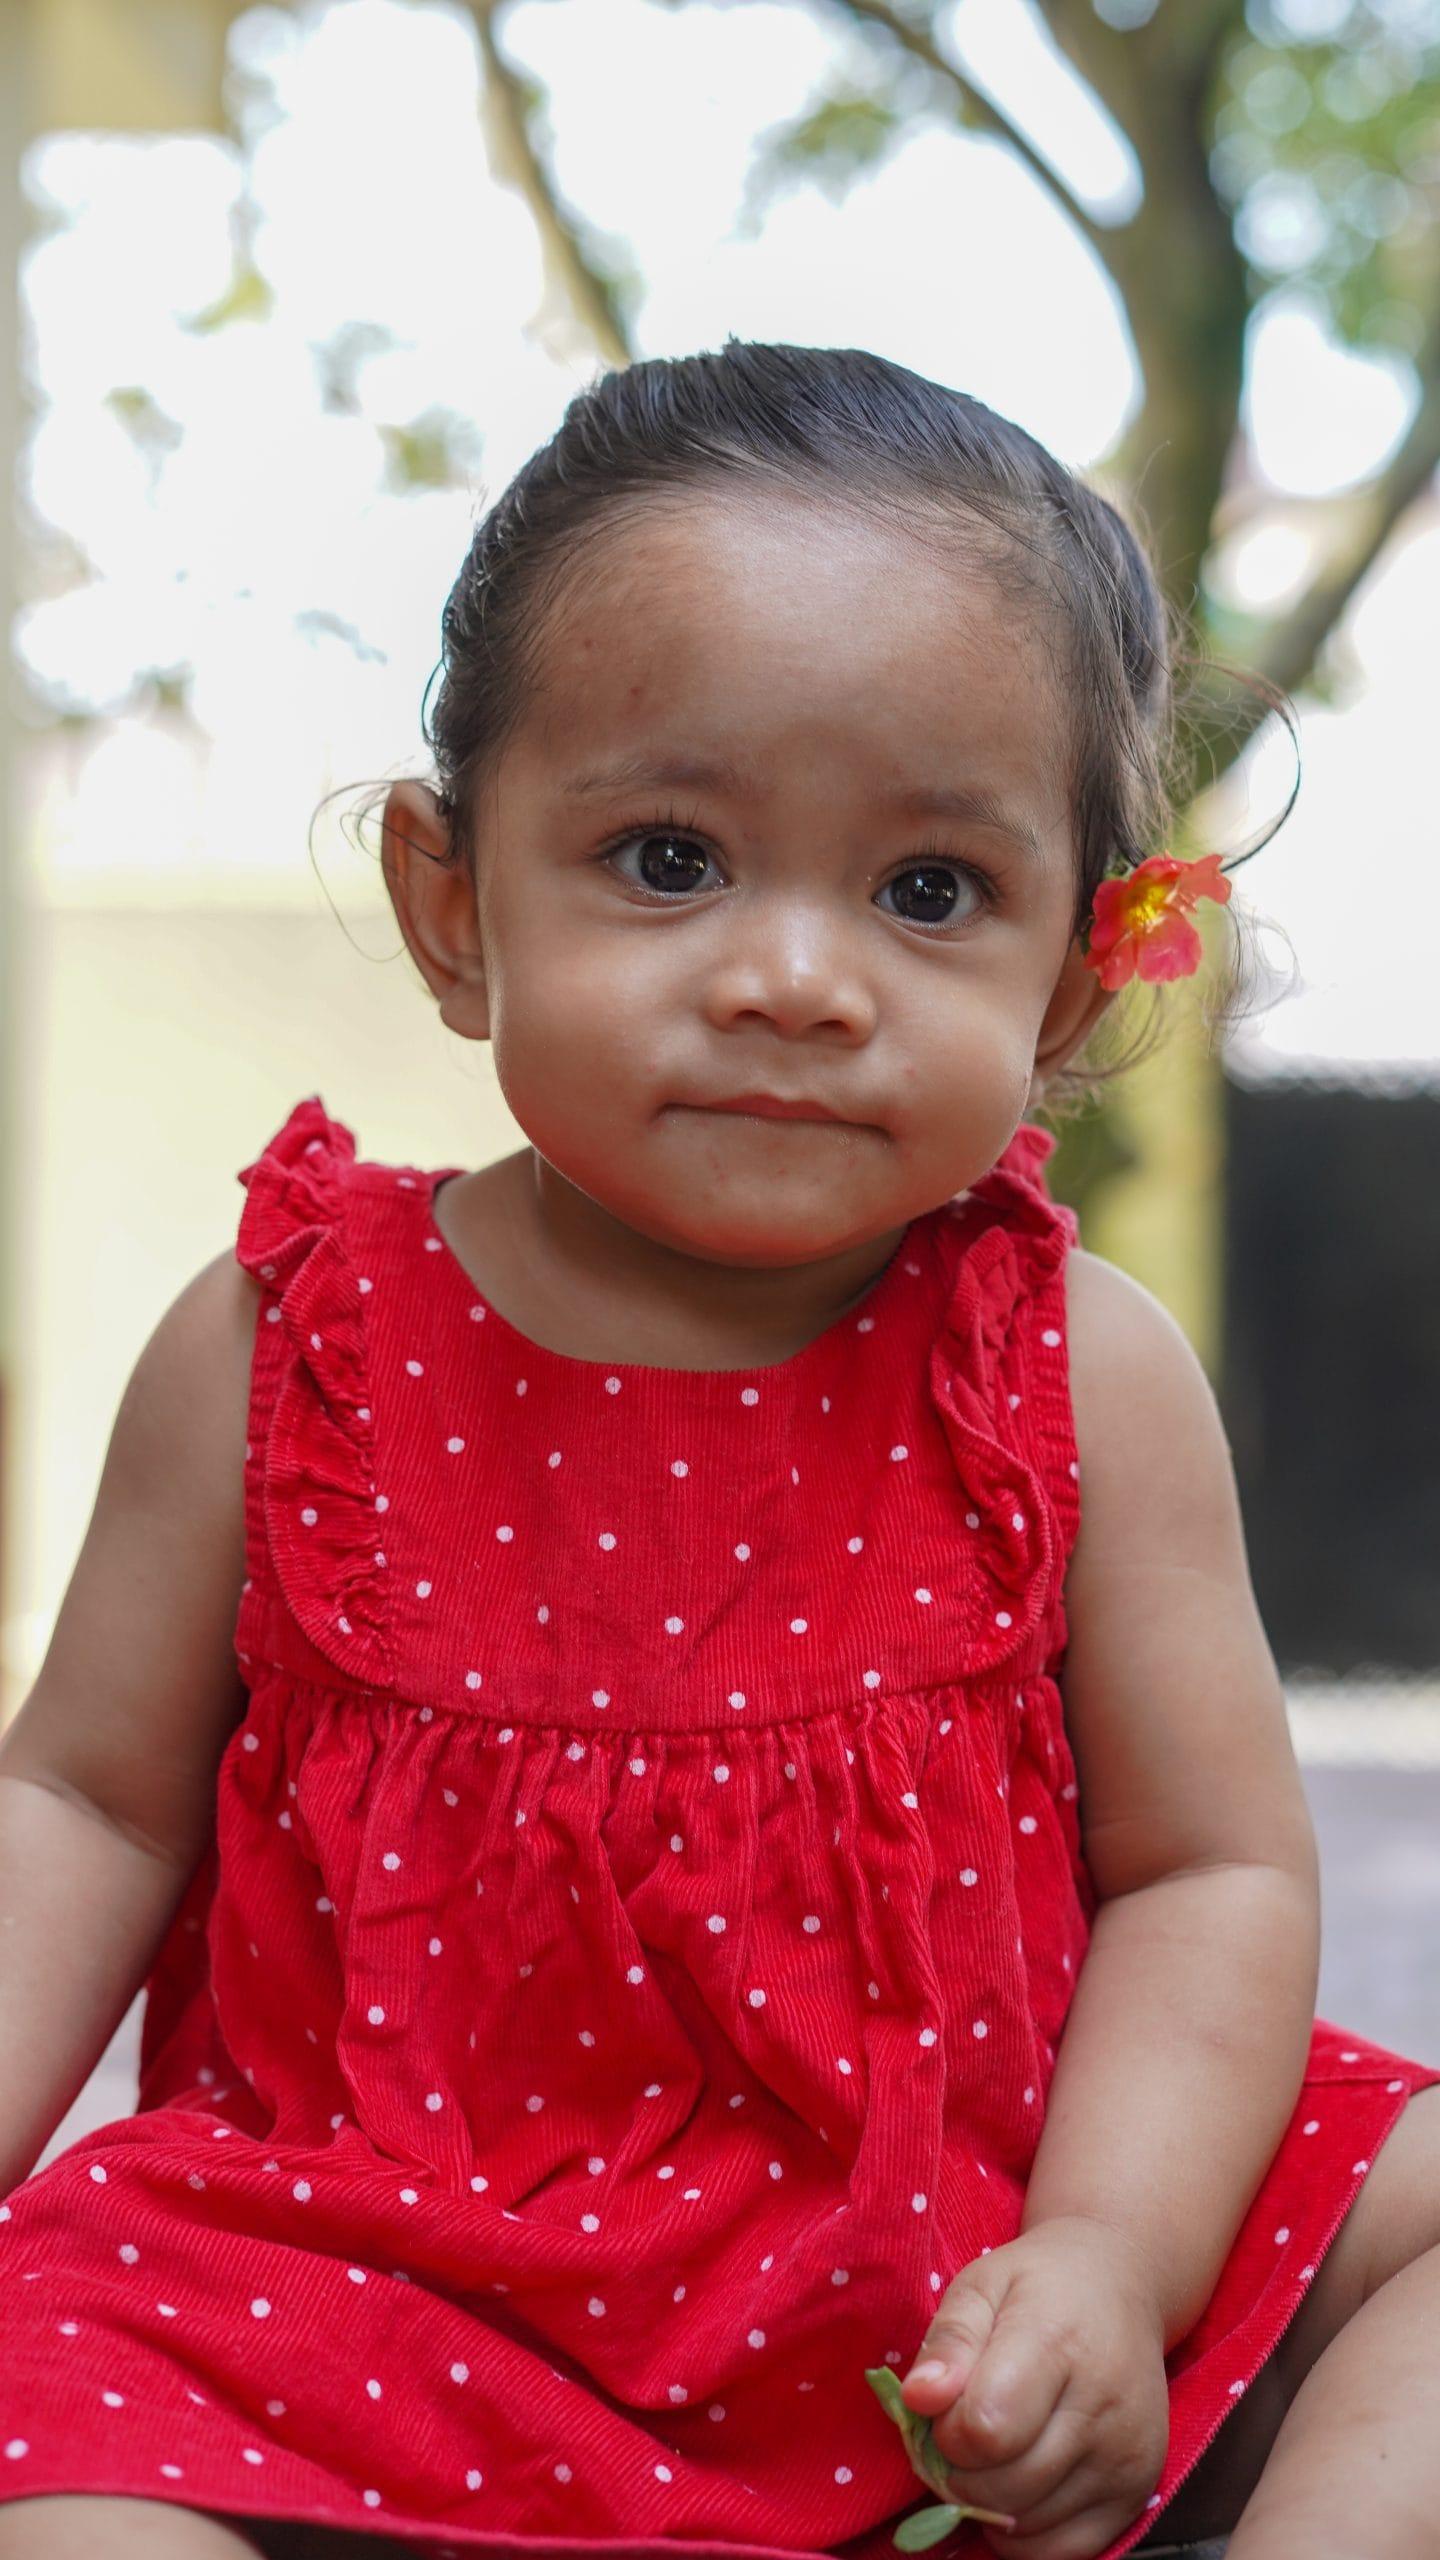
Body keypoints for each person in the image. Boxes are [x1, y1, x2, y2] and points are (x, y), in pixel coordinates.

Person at [0, 340, 1436, 2560]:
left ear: (1069, 981)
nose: (794, 974)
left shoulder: (1069, 1368)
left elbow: (1213, 1875)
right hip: (361, 2288)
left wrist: (1108, 2263)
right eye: (670, 857)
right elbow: (77, 1792)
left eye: (930, 890)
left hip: (948, 2271)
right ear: (452, 900)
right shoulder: (291, 1342)